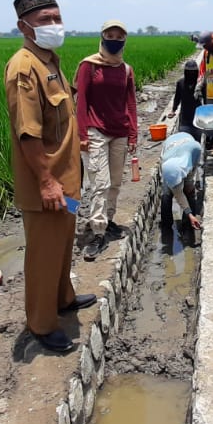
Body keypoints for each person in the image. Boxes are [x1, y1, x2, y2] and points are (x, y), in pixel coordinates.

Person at [4, 0, 97, 353]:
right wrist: (46, 182)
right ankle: (42, 324)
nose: (55, 25)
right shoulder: (24, 68)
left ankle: (64, 298)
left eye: (57, 17)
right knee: (44, 254)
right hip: (48, 188)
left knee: (63, 243)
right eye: (46, 20)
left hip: (67, 183)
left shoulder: (50, 61)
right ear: (23, 26)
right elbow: (28, 133)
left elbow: (59, 119)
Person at [74, 19, 138, 261]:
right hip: (95, 130)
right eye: (110, 35)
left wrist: (133, 132)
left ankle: (109, 219)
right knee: (99, 182)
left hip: (119, 130)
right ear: (102, 37)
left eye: (119, 37)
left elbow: (130, 103)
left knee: (114, 182)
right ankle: (98, 232)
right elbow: (81, 102)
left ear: (124, 41)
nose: (114, 40)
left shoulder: (126, 69)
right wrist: (82, 135)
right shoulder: (89, 66)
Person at [159, 130, 204, 230]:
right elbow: (179, 195)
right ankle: (166, 227)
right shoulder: (166, 164)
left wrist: (189, 181)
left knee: (189, 190)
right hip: (171, 145)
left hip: (186, 140)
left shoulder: (195, 149)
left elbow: (194, 166)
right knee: (166, 194)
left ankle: (188, 225)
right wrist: (190, 214)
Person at [170, 60, 202, 142]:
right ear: (185, 72)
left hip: (198, 119)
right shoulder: (180, 83)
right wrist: (173, 110)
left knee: (198, 143)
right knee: (184, 141)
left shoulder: (200, 84)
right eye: (189, 72)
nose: (191, 74)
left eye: (193, 72)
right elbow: (177, 98)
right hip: (185, 119)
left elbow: (207, 98)